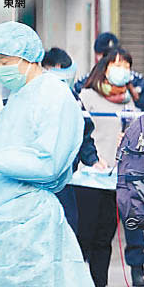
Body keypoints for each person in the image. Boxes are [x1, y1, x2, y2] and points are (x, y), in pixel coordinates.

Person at [0, 21, 98, 287]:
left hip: (32, 224)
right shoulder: (19, 97)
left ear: (28, 57)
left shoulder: (53, 97)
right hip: (2, 221)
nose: (0, 70)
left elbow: (48, 163)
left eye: (4, 63)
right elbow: (9, 147)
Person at [75, 33, 144, 286]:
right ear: (103, 67)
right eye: (116, 65)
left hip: (121, 178)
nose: (122, 71)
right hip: (91, 179)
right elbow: (81, 136)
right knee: (85, 239)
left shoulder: (132, 100)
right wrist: (92, 159)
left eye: (126, 66)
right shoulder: (86, 96)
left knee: (106, 239)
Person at [41, 48, 105, 235]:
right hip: (37, 179)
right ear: (56, 68)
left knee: (68, 229)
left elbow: (84, 134)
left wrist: (93, 160)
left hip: (65, 179)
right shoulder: (33, 97)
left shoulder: (73, 100)